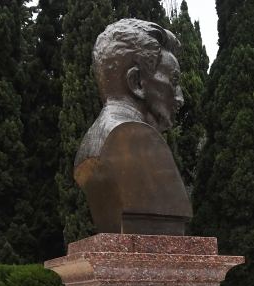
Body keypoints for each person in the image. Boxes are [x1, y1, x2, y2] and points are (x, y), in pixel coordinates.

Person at [74, 19, 191, 235]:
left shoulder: (93, 141)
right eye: (173, 82)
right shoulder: (132, 139)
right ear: (137, 82)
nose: (180, 98)